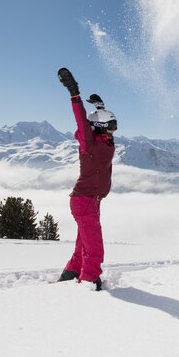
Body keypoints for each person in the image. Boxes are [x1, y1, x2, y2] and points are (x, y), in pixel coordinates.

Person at [56, 67, 117, 291]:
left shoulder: (105, 142)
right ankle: (89, 282)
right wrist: (74, 93)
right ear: (99, 129)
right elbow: (82, 120)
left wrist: (100, 108)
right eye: (109, 129)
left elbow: (96, 123)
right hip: (84, 200)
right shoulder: (89, 143)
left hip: (92, 200)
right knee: (95, 249)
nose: (112, 133)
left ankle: (71, 273)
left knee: (84, 243)